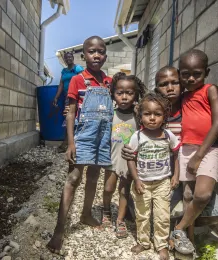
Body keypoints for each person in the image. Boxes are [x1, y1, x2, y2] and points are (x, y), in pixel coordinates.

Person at [46, 36, 112, 254]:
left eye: (100, 51)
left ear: (105, 54)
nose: (96, 55)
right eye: (91, 51)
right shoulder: (77, 80)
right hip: (83, 136)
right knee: (73, 178)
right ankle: (59, 229)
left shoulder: (109, 82)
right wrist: (71, 143)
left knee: (94, 176)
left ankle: (85, 214)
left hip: (102, 136)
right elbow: (72, 113)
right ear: (84, 55)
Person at [153, 66, 218, 246]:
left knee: (215, 209)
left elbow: (208, 125)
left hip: (188, 170)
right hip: (163, 175)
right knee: (153, 209)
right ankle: (176, 228)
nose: (170, 88)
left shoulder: (190, 105)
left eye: (175, 83)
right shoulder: (154, 112)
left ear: (183, 84)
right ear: (157, 88)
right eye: (164, 84)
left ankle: (185, 235)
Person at [169, 49, 218, 254]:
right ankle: (188, 242)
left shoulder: (210, 90)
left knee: (202, 195)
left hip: (208, 149)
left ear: (206, 72)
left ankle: (178, 228)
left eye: (197, 73)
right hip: (185, 148)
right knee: (188, 195)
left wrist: (199, 156)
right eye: (185, 74)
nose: (191, 78)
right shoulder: (182, 96)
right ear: (179, 73)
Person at [127, 93, 180, 260]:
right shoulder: (137, 137)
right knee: (142, 214)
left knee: (162, 216)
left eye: (157, 114)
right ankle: (143, 242)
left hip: (162, 182)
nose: (152, 118)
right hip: (142, 183)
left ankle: (161, 245)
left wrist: (175, 176)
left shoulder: (168, 136)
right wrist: (136, 179)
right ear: (140, 116)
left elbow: (177, 155)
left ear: (164, 116)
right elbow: (130, 159)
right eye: (147, 114)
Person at [101, 72, 147, 238]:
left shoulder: (139, 117)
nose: (125, 97)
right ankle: (106, 210)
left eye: (129, 93)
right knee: (108, 188)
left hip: (129, 163)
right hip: (112, 160)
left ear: (136, 94)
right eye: (120, 93)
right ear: (113, 94)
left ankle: (120, 220)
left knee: (124, 191)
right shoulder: (110, 114)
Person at [52, 52, 84, 153]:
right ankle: (69, 142)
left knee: (75, 118)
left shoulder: (77, 68)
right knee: (68, 118)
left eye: (70, 57)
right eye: (66, 58)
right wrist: (56, 97)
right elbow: (61, 84)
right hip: (68, 97)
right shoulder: (64, 71)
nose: (68, 59)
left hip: (77, 96)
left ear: (73, 58)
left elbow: (82, 80)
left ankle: (68, 143)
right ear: (65, 60)